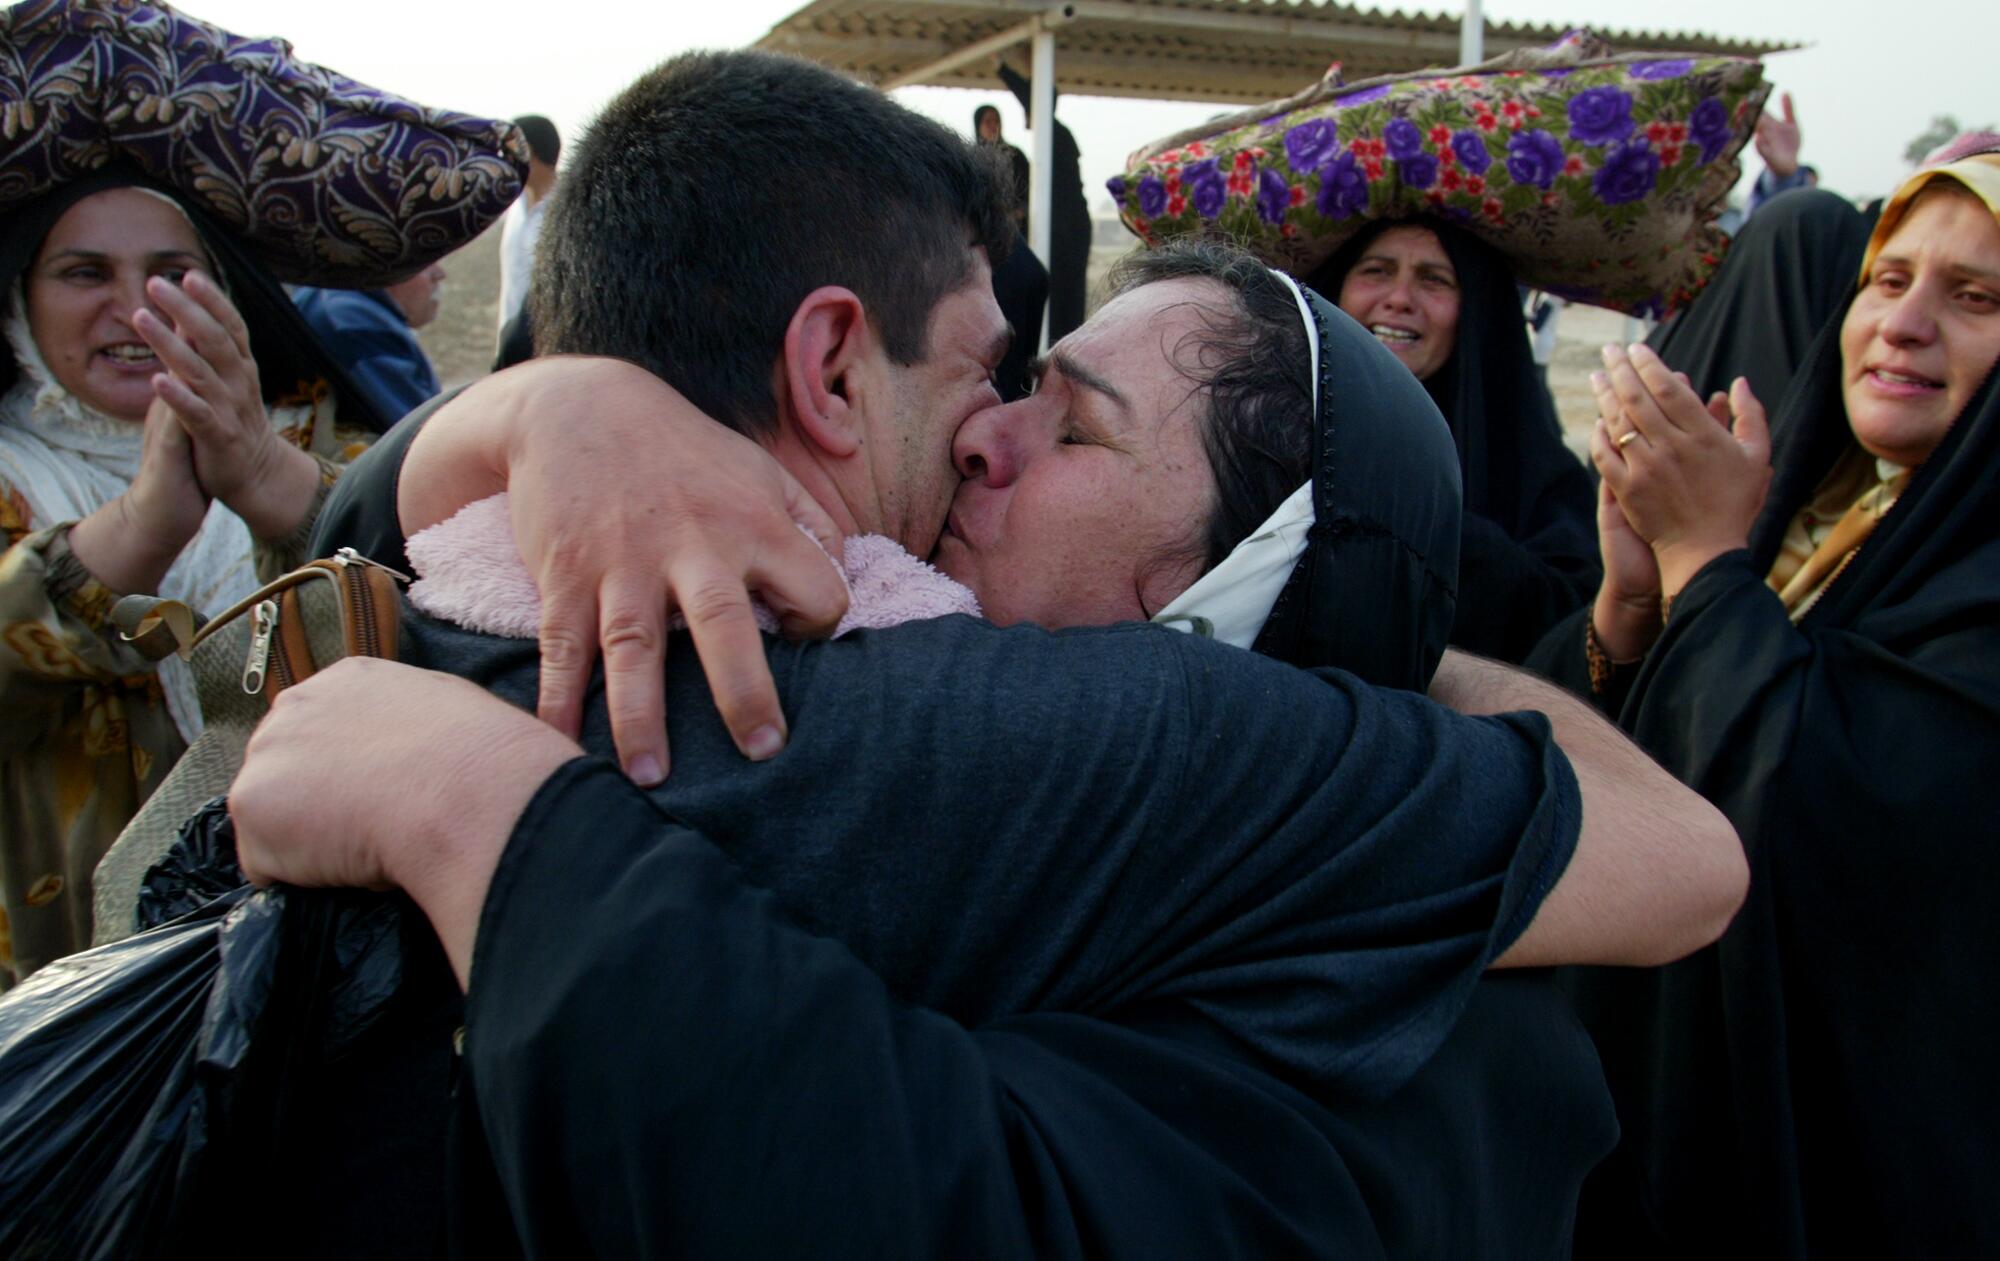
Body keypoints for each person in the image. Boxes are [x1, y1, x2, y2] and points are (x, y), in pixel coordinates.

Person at [264, 49, 1744, 1258]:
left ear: (1218, 601)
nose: (988, 432)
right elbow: (1676, 850)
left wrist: (517, 423)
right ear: (829, 363)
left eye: (1067, 420)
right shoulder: (947, 711)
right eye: (1004, 379)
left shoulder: (448, 608)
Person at [1528, 145, 2000, 1257]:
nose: (1903, 322)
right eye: (1886, 280)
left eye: (1974, 297)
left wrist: (1703, 560)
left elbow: (1826, 835)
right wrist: (1633, 616)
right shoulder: (1823, 517)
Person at [0, 168, 390, 986]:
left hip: (301, 975)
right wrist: (138, 531)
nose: (137, 306)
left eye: (173, 274)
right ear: (19, 296)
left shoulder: (341, 453)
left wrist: (262, 476)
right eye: (84, 272)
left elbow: (426, 630)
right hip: (56, 993)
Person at [1307, 218, 1600, 662]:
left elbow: (1576, 628)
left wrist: (1426, 520)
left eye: (1434, 280)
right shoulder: (1264, 434)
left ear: (1477, 311)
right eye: (1376, 271)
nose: (1400, 299)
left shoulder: (1537, 471)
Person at [998, 60, 1093, 342]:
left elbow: (1039, 98)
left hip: (1067, 228)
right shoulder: (1054, 136)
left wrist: (1003, 69)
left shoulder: (1054, 133)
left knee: (1063, 296)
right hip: (1064, 225)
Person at [291, 262, 446, 424]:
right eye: (425, 262)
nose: (439, 274)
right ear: (389, 265)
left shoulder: (338, 292)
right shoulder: (353, 322)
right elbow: (419, 428)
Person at [493, 113, 559, 355]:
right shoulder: (514, 208)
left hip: (547, 351)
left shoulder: (564, 213)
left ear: (527, 151)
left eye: (507, 150)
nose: (502, 159)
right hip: (508, 347)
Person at [974, 102, 1030, 231]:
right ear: (978, 125)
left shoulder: (1015, 155)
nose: (993, 126)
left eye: (996, 121)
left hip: (1016, 228)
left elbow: (1028, 188)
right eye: (988, 121)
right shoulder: (972, 157)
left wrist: (1018, 212)